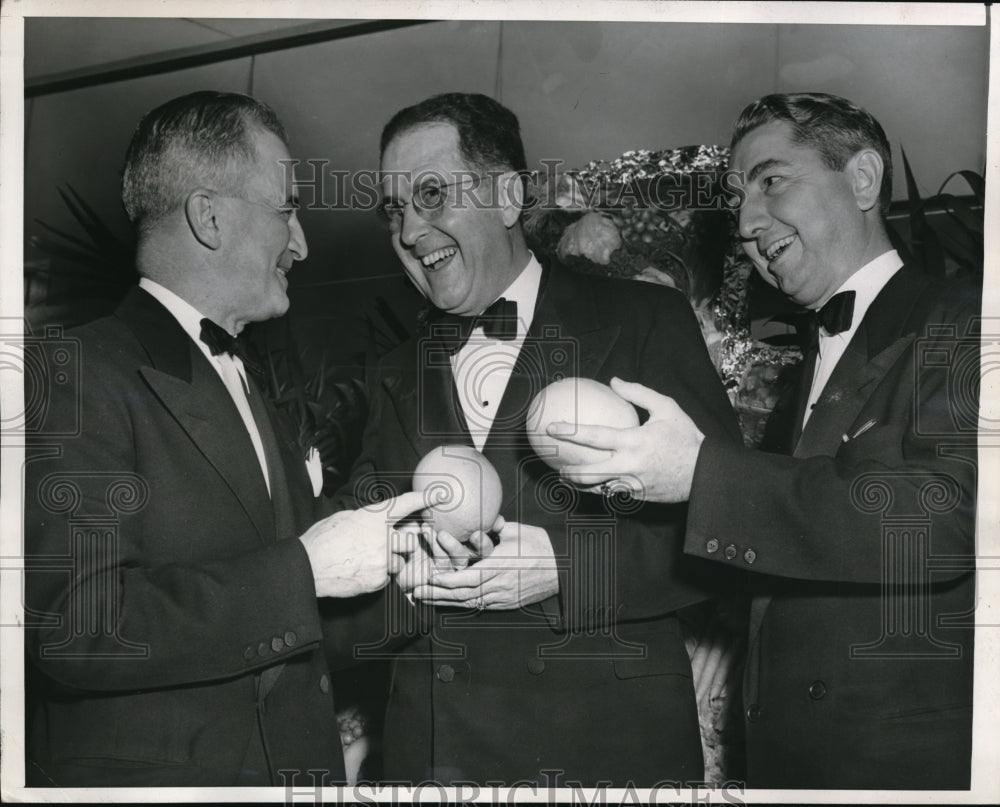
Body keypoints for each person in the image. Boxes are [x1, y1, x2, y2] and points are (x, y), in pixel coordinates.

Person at [551, 92, 979, 790]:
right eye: (737, 198)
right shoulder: (805, 372)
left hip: (902, 768)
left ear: (864, 178)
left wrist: (701, 474)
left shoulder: (964, 318)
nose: (746, 224)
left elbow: (942, 517)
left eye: (771, 180)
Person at [329, 92, 742, 787]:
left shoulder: (645, 318)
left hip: (603, 757)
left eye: (431, 194)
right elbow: (365, 564)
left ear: (509, 196)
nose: (408, 229)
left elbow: (733, 527)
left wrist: (570, 568)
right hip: (433, 762)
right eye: (394, 209)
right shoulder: (391, 371)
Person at [23, 91, 425, 787]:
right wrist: (304, 568)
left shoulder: (244, 378)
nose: (302, 243)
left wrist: (417, 582)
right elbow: (75, 626)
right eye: (288, 209)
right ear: (209, 217)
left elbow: (294, 620)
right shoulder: (72, 371)